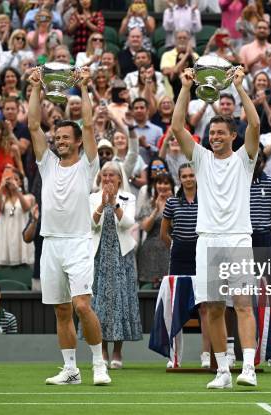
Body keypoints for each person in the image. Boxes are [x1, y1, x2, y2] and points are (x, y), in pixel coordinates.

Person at [171, 65, 260, 389]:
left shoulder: (244, 158)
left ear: (233, 136)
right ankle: (223, 371)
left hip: (238, 237)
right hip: (206, 240)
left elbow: (255, 122)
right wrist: (184, 87)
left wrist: (239, 87)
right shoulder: (201, 159)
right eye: (213, 133)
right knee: (212, 307)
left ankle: (248, 368)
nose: (216, 137)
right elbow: (177, 126)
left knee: (243, 304)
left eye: (222, 133)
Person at [28, 66, 111, 385]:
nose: (59, 141)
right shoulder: (47, 163)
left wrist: (86, 88)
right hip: (50, 244)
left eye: (65, 137)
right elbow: (33, 124)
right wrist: (36, 86)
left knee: (81, 305)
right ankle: (71, 369)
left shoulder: (88, 164)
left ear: (77, 142)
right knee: (62, 310)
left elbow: (89, 123)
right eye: (57, 137)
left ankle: (99, 364)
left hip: (78, 242)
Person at [89, 161, 142, 368]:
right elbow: (91, 224)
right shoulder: (93, 197)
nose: (108, 179)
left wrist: (114, 203)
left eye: (112, 175)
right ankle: (102, 350)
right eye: (105, 175)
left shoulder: (129, 198)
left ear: (120, 178)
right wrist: (103, 204)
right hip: (99, 254)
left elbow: (129, 223)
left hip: (122, 256)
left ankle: (118, 352)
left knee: (121, 302)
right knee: (100, 303)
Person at [159, 163, 210, 368]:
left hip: (202, 255)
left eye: (191, 175)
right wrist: (175, 247)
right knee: (175, 306)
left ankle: (206, 355)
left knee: (205, 307)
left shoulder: (206, 200)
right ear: (179, 179)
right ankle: (175, 356)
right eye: (184, 176)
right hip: (179, 256)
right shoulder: (172, 202)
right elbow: (164, 233)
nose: (188, 179)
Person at [0, 168, 35, 268]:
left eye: (16, 179)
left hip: (21, 233)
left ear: (21, 182)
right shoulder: (3, 198)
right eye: (10, 179)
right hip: (6, 234)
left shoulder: (29, 197)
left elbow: (26, 208)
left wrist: (17, 191)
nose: (13, 181)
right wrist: (1, 188)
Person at [136, 172, 174, 288]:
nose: (162, 186)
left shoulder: (177, 204)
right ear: (155, 185)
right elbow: (146, 228)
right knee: (147, 289)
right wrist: (156, 210)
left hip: (170, 249)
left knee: (170, 289)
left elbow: (176, 226)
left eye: (166, 183)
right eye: (159, 182)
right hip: (150, 252)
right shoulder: (148, 204)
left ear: (172, 186)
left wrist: (170, 206)